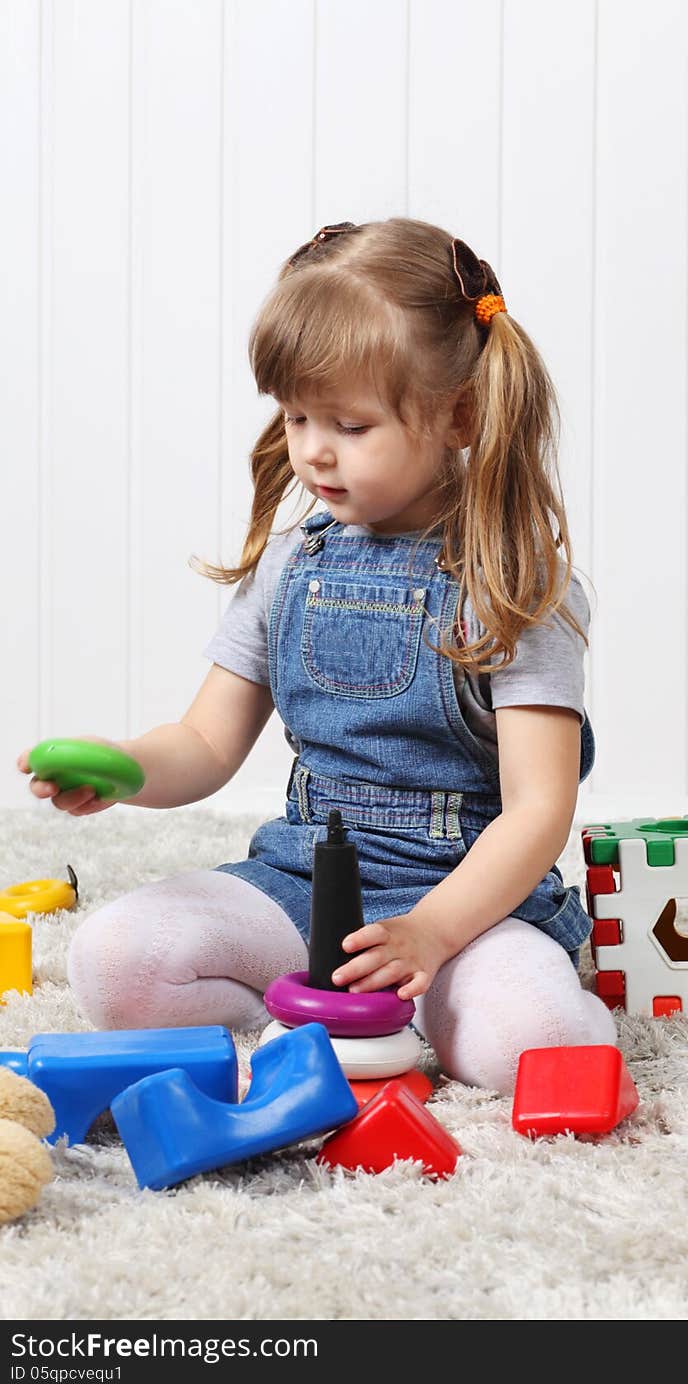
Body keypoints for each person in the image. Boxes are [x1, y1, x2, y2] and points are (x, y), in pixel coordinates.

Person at [18, 217, 616, 1093]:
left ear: (460, 414)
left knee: (540, 1045)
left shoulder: (518, 586)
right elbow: (205, 744)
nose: (312, 450)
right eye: (296, 415)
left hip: (465, 908)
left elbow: (537, 810)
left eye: (350, 422)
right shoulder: (291, 564)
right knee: (117, 961)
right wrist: (127, 769)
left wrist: (435, 933)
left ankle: (464, 1003)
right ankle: (333, 1015)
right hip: (302, 879)